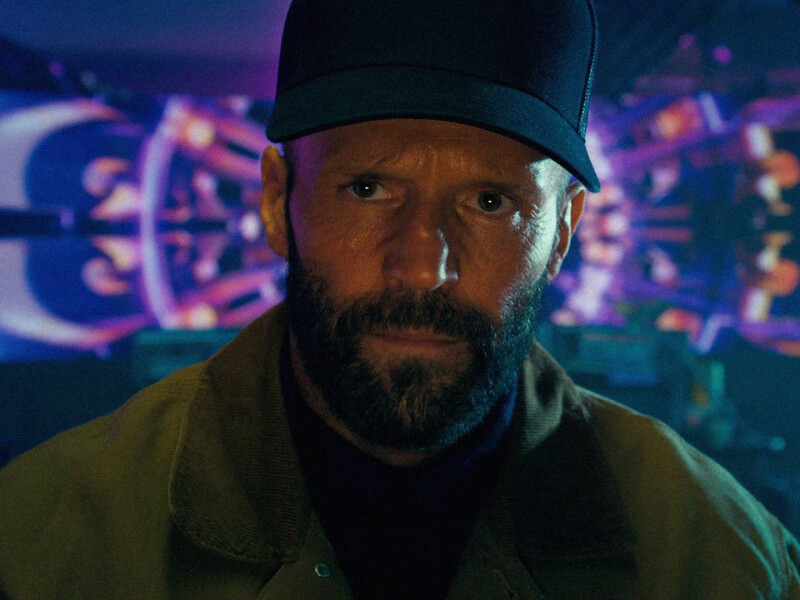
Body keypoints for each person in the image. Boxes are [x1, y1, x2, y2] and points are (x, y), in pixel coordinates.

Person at [1, 0, 799, 598]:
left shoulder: (727, 564)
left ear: (563, 231)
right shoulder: (43, 544)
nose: (422, 267)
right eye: (368, 188)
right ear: (277, 201)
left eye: (490, 202)